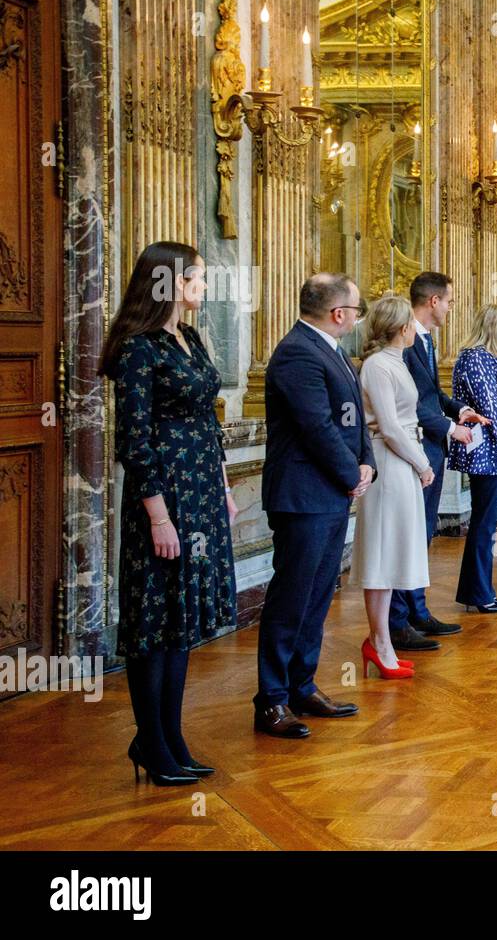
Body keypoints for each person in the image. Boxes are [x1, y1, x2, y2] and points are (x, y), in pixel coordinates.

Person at [100, 241, 237, 784]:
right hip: (163, 497)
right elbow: (133, 441)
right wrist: (158, 516)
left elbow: (208, 419)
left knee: (180, 620)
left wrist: (223, 486)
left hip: (201, 490)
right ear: (170, 284)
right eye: (198, 278)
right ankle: (150, 741)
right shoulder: (140, 347)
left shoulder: (190, 337)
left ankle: (171, 735)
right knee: (154, 620)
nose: (204, 287)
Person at [257, 273, 373, 739]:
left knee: (320, 594)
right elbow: (316, 426)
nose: (358, 317)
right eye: (357, 309)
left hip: (329, 492)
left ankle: (301, 684)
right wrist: (352, 473)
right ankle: (271, 699)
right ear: (338, 313)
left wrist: (365, 463)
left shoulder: (332, 350)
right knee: (292, 598)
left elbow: (354, 420)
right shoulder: (297, 353)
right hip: (303, 495)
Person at [388, 272, 482, 652]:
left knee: (422, 532)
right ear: (432, 302)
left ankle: (417, 609)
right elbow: (407, 405)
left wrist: (459, 409)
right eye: (449, 301)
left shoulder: (425, 339)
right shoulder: (405, 341)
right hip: (415, 448)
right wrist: (449, 427)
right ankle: (397, 620)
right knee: (406, 534)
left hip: (430, 446)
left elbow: (431, 393)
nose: (451, 307)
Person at [352, 294, 434, 681]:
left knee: (395, 550)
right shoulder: (377, 366)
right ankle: (379, 642)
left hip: (404, 459)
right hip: (389, 461)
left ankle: (381, 640)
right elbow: (387, 426)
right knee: (382, 553)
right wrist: (422, 463)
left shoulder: (395, 362)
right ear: (403, 328)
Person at [450, 304, 497, 614]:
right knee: (484, 522)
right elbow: (489, 406)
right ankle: (479, 592)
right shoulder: (475, 357)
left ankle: (480, 589)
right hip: (486, 450)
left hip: (493, 449)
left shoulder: (487, 357)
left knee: (487, 521)